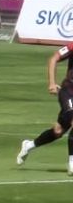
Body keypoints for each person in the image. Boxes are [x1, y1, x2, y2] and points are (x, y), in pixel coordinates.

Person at [16, 44, 73, 174]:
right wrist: (52, 83)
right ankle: (72, 163)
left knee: (58, 131)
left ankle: (29, 145)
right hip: (69, 92)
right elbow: (54, 58)